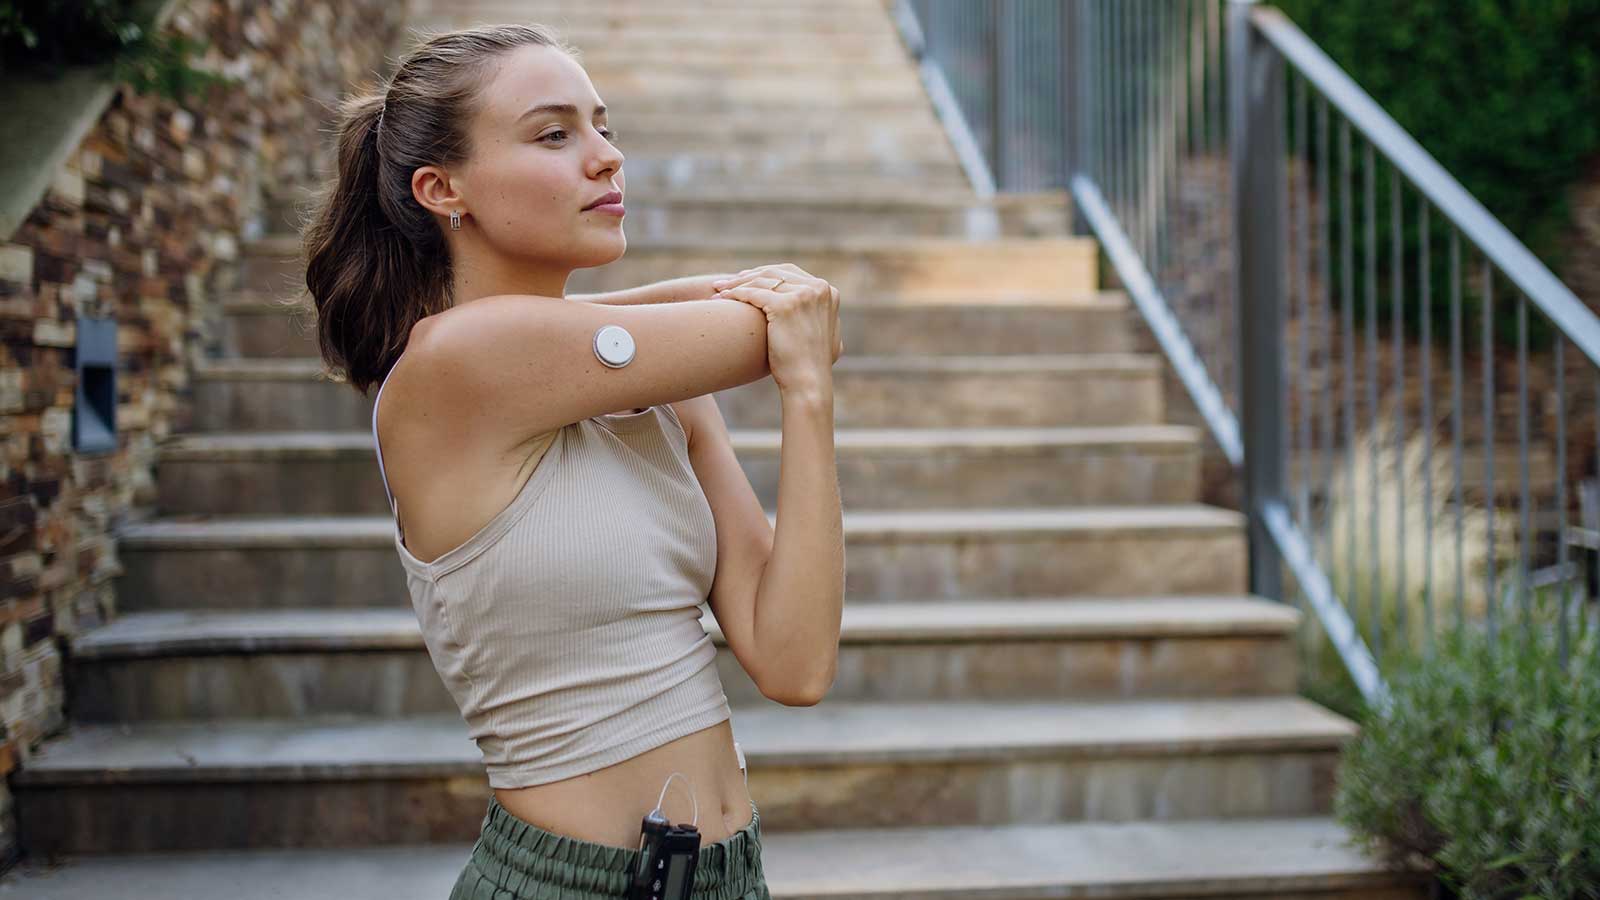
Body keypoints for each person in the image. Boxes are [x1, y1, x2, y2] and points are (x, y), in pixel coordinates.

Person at [298, 22, 845, 900]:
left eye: (604, 127)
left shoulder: (659, 384)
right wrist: (792, 337)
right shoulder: (452, 362)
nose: (604, 159)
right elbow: (757, 321)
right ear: (444, 190)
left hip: (727, 879)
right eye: (554, 134)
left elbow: (795, 663)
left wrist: (809, 403)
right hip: (568, 884)